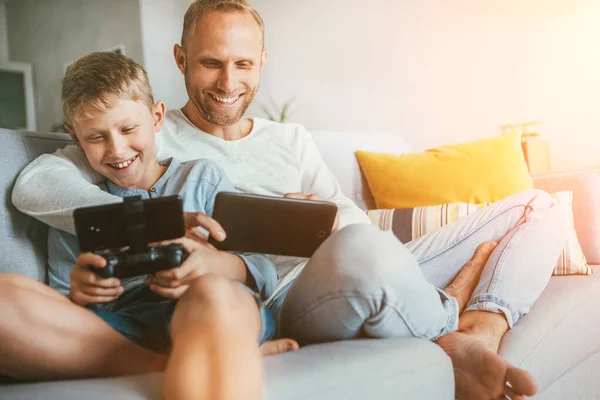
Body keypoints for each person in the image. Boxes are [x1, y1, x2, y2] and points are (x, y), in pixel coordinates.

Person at [11, 0, 568, 398]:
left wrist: (307, 222)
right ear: (181, 60)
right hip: (273, 296)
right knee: (358, 257)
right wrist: (153, 221)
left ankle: (480, 325)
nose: (227, 81)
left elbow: (351, 230)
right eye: (210, 62)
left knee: (539, 207)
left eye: (243, 64)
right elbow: (38, 183)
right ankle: (442, 321)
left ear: (261, 63)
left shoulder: (289, 140)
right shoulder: (142, 138)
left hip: (335, 266)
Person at [1, 51, 298, 400]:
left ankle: (206, 348)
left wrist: (215, 264)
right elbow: (64, 305)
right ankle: (172, 361)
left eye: (129, 129)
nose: (117, 149)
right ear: (74, 137)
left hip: (206, 306)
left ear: (157, 116)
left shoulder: (201, 176)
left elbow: (264, 271)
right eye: (96, 138)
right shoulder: (76, 203)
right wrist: (81, 289)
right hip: (122, 325)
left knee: (214, 293)